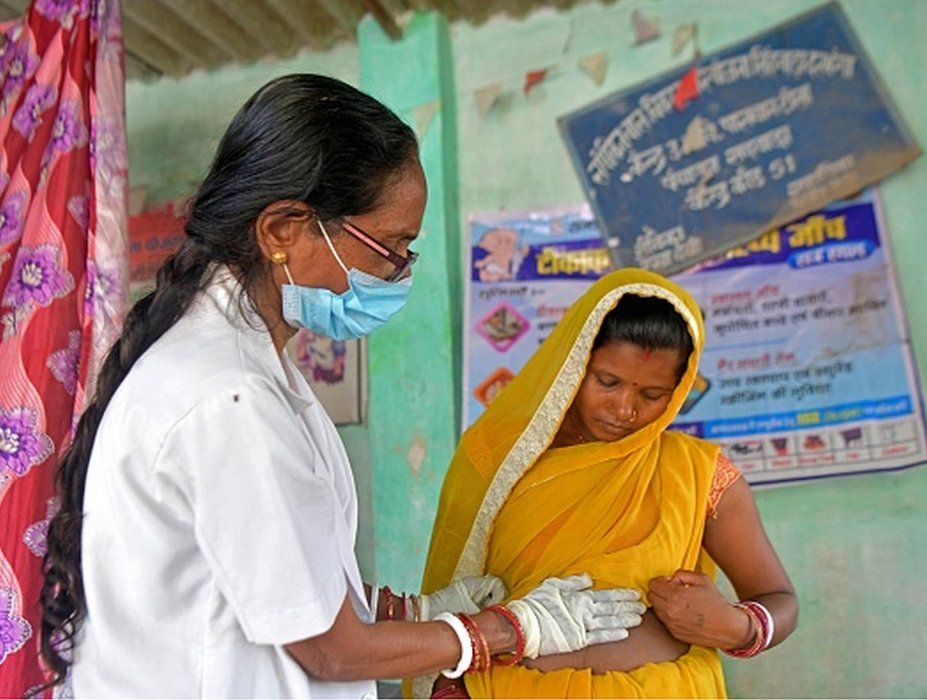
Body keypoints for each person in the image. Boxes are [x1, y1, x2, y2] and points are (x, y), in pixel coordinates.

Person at [37, 75, 645, 698]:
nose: (399, 273)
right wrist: (507, 631)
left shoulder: (246, 370)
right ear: (282, 231)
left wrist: (421, 615)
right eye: (390, 247)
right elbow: (330, 650)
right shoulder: (227, 396)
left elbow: (266, 581)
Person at [416, 268, 798, 698]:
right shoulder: (498, 456)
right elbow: (456, 579)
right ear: (574, 362)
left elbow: (778, 597)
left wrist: (737, 625)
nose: (624, 409)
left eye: (652, 395)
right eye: (608, 382)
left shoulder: (697, 471)